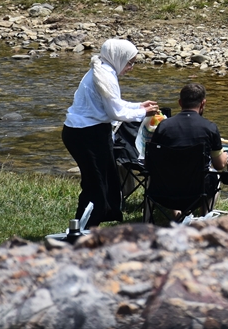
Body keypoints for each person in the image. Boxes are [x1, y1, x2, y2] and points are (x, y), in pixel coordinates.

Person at [62, 38, 159, 227]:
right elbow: (115, 113)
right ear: (118, 57)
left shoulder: (103, 70)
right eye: (130, 62)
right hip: (87, 135)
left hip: (86, 132)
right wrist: (143, 113)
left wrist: (138, 106)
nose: (131, 67)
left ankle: (89, 227)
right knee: (97, 186)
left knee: (104, 182)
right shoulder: (105, 76)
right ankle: (82, 231)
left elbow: (113, 104)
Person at [147, 82, 228, 214]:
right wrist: (224, 157)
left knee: (172, 171)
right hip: (197, 193)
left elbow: (151, 161)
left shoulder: (163, 127)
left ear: (180, 102)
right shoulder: (210, 127)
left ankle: (177, 215)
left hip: (163, 192)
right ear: (203, 103)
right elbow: (219, 165)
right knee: (216, 176)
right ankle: (203, 218)